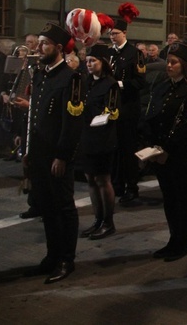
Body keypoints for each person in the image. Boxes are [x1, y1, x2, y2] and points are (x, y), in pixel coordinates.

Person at [21, 23, 82, 283]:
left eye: (45, 44)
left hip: (57, 155)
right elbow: (35, 116)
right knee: (46, 206)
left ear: (58, 48)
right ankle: (51, 256)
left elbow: (72, 122)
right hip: (40, 153)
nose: (39, 48)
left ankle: (67, 259)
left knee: (63, 207)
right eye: (39, 43)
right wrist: (28, 149)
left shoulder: (71, 78)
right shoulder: (40, 74)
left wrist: (63, 156)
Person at [140, 42, 187, 262]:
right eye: (168, 61)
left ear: (184, 65)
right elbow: (152, 115)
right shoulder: (163, 86)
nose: (169, 66)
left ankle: (183, 241)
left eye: (174, 62)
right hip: (161, 154)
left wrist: (167, 148)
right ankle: (173, 239)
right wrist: (153, 146)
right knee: (169, 199)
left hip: (182, 154)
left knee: (184, 199)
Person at [77, 44, 121, 240]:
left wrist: (99, 119)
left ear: (102, 62)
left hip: (103, 137)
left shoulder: (110, 84)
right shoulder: (86, 82)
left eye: (93, 61)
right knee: (90, 180)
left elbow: (111, 112)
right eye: (87, 61)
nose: (89, 64)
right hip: (86, 136)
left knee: (103, 180)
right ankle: (97, 220)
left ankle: (108, 222)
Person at [108, 12, 146, 204]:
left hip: (129, 107)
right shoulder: (110, 53)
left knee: (128, 149)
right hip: (113, 107)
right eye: (110, 34)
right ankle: (117, 184)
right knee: (114, 148)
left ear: (124, 33)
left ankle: (132, 187)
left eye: (115, 33)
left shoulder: (135, 54)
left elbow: (140, 81)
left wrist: (120, 84)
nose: (112, 37)